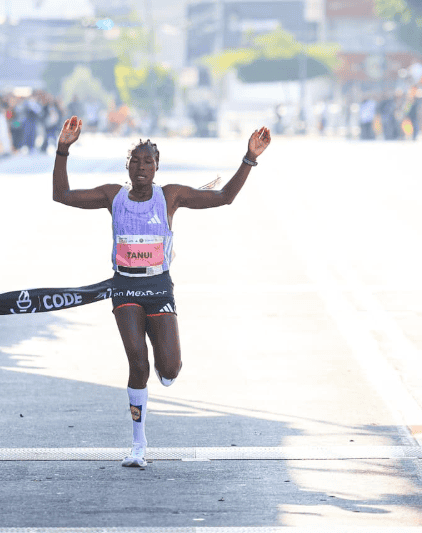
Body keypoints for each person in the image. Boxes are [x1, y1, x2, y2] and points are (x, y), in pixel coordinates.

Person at [52, 116, 271, 467]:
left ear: (157, 167)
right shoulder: (114, 196)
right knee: (137, 362)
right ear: (127, 165)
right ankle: (138, 445)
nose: (141, 168)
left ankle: (165, 366)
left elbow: (225, 197)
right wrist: (63, 149)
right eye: (135, 161)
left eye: (148, 162)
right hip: (124, 287)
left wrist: (249, 158)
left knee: (169, 369)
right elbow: (61, 195)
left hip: (158, 287)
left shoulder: (171, 196)